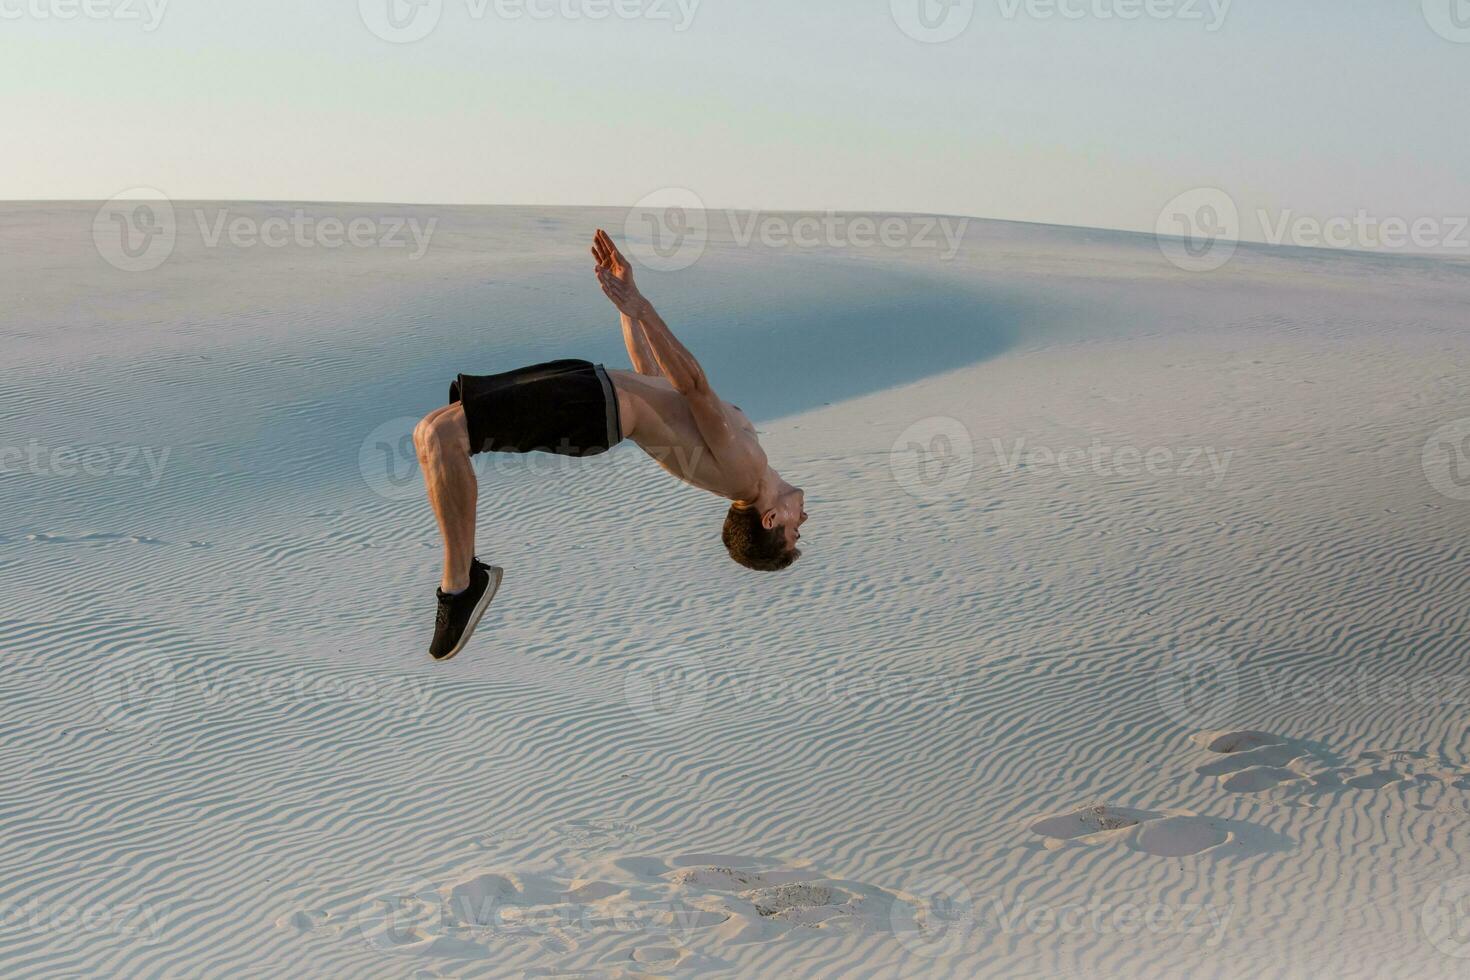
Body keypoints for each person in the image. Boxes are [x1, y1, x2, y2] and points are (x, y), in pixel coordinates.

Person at [412, 230, 808, 660]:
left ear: (769, 520)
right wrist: (628, 301)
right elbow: (655, 377)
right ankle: (466, 578)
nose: (803, 517)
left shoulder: (745, 473)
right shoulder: (740, 471)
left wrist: (643, 308)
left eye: (794, 528)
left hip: (592, 407)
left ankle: (460, 588)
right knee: (433, 429)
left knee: (442, 436)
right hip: (591, 388)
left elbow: (694, 386)